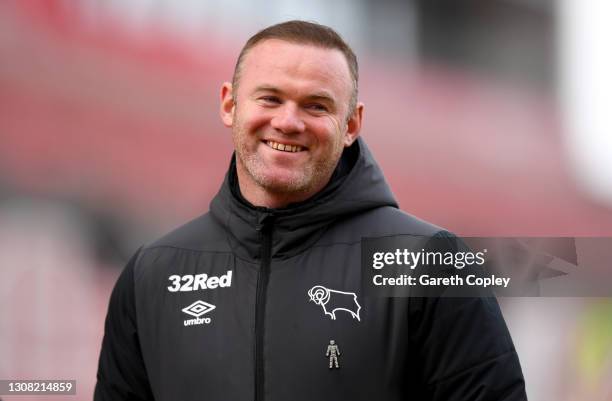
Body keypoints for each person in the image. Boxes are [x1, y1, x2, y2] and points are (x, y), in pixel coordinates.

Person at [95, 20, 527, 401]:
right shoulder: (152, 273)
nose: (288, 122)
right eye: (269, 98)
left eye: (315, 106)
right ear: (229, 105)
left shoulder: (429, 261)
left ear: (351, 126)